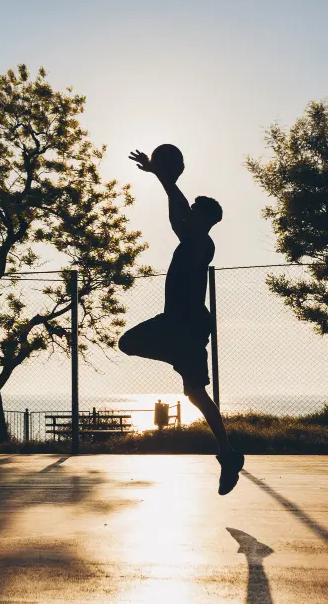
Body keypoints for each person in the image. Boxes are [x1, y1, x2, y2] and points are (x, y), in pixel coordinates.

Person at [118, 144, 244, 495]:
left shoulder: (201, 243)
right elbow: (175, 212)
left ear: (204, 218)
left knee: (194, 392)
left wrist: (165, 178)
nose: (187, 212)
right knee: (131, 346)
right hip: (175, 324)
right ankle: (228, 453)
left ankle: (227, 453)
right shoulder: (189, 236)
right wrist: (163, 179)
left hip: (186, 327)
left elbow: (178, 212)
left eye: (194, 210)